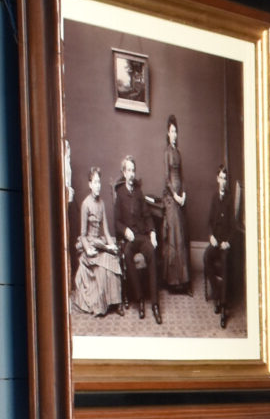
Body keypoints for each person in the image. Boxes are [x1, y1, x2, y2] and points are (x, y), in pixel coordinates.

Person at [70, 166, 123, 317]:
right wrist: (88, 250)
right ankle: (103, 305)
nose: (98, 185)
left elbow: (105, 231)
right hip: (89, 246)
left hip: (99, 243)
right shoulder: (86, 204)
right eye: (95, 182)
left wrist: (111, 245)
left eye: (99, 182)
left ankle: (117, 303)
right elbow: (82, 234)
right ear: (90, 184)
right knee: (102, 268)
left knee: (113, 258)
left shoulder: (102, 203)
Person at [112, 155, 157, 321]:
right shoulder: (120, 194)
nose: (131, 174)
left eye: (133, 170)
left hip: (141, 236)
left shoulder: (139, 192)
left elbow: (147, 216)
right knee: (128, 255)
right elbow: (116, 222)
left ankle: (155, 304)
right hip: (129, 239)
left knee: (152, 251)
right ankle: (140, 300)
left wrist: (152, 232)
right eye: (128, 170)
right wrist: (125, 231)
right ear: (124, 173)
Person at [207, 164, 244, 328]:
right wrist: (211, 237)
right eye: (220, 178)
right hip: (216, 241)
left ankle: (223, 307)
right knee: (206, 258)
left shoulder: (229, 199)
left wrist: (227, 242)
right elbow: (209, 222)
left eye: (225, 178)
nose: (222, 181)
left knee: (226, 264)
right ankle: (216, 293)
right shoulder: (214, 197)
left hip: (226, 244)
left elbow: (234, 226)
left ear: (226, 181)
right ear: (217, 179)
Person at [158, 116, 190, 297]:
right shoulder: (166, 153)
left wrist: (184, 193)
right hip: (171, 199)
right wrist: (176, 196)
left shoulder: (178, 152)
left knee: (182, 238)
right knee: (174, 238)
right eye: (171, 131)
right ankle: (172, 282)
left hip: (180, 197)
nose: (174, 134)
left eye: (176, 131)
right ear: (167, 133)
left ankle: (183, 282)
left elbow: (182, 176)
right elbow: (166, 179)